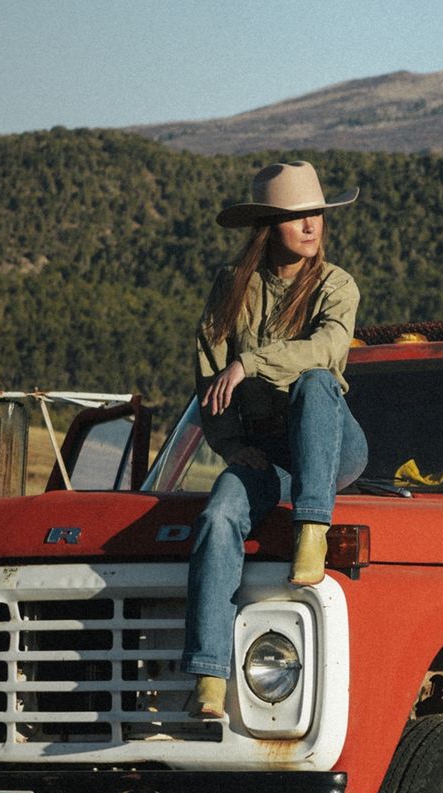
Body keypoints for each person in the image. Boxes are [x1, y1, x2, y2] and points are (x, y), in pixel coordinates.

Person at [183, 161, 369, 718]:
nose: (311, 225)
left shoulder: (336, 284)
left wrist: (251, 363)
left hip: (334, 446)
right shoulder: (231, 287)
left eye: (315, 213)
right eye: (296, 217)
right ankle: (209, 679)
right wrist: (228, 441)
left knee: (314, 383)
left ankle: (311, 528)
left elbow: (326, 352)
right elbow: (208, 369)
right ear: (269, 227)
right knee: (217, 516)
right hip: (271, 451)